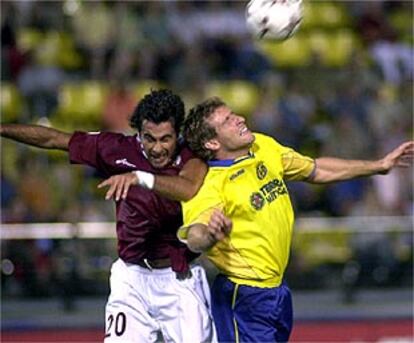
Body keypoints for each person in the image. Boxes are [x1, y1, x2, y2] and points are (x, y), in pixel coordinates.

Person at [95, 96, 413, 342]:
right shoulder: (210, 185)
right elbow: (193, 235)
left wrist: (378, 165)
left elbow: (315, 168)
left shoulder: (264, 147)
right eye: (228, 120)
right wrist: (210, 232)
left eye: (235, 114)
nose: (240, 119)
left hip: (276, 291)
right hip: (242, 297)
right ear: (212, 143)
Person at [0, 89, 215, 343]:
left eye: (165, 139)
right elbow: (54, 140)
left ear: (177, 134)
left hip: (180, 280)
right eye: (149, 139)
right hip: (131, 279)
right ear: (138, 134)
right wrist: (3, 129)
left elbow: (187, 188)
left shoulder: (192, 157)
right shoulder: (116, 149)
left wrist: (140, 178)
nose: (157, 148)